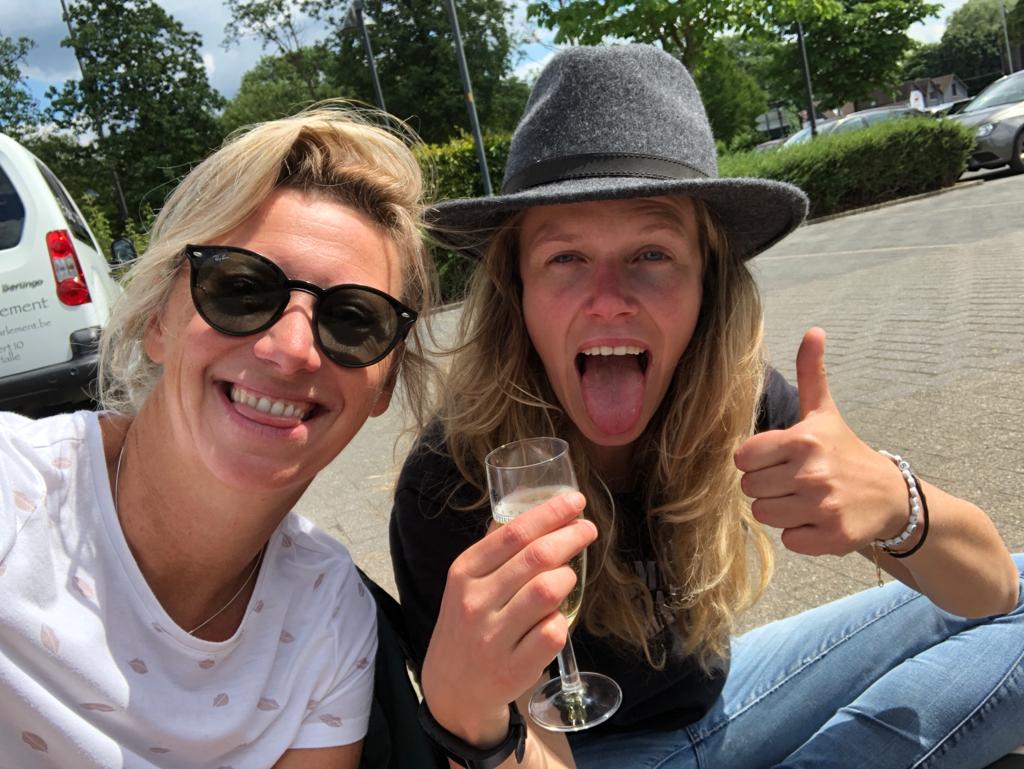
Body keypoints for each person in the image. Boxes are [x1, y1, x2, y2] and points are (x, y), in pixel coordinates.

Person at [389, 45, 1024, 769]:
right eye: (565, 258)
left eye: (652, 254)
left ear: (707, 283)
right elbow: (532, 745)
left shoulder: (735, 398)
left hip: (723, 706)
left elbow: (990, 590)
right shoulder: (454, 482)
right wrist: (475, 720)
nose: (608, 299)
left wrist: (896, 504)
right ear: (518, 292)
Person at [0, 104, 436, 768]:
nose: (292, 350)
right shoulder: (13, 498)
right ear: (157, 319)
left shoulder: (328, 614)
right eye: (241, 288)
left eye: (354, 319)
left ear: (383, 386)